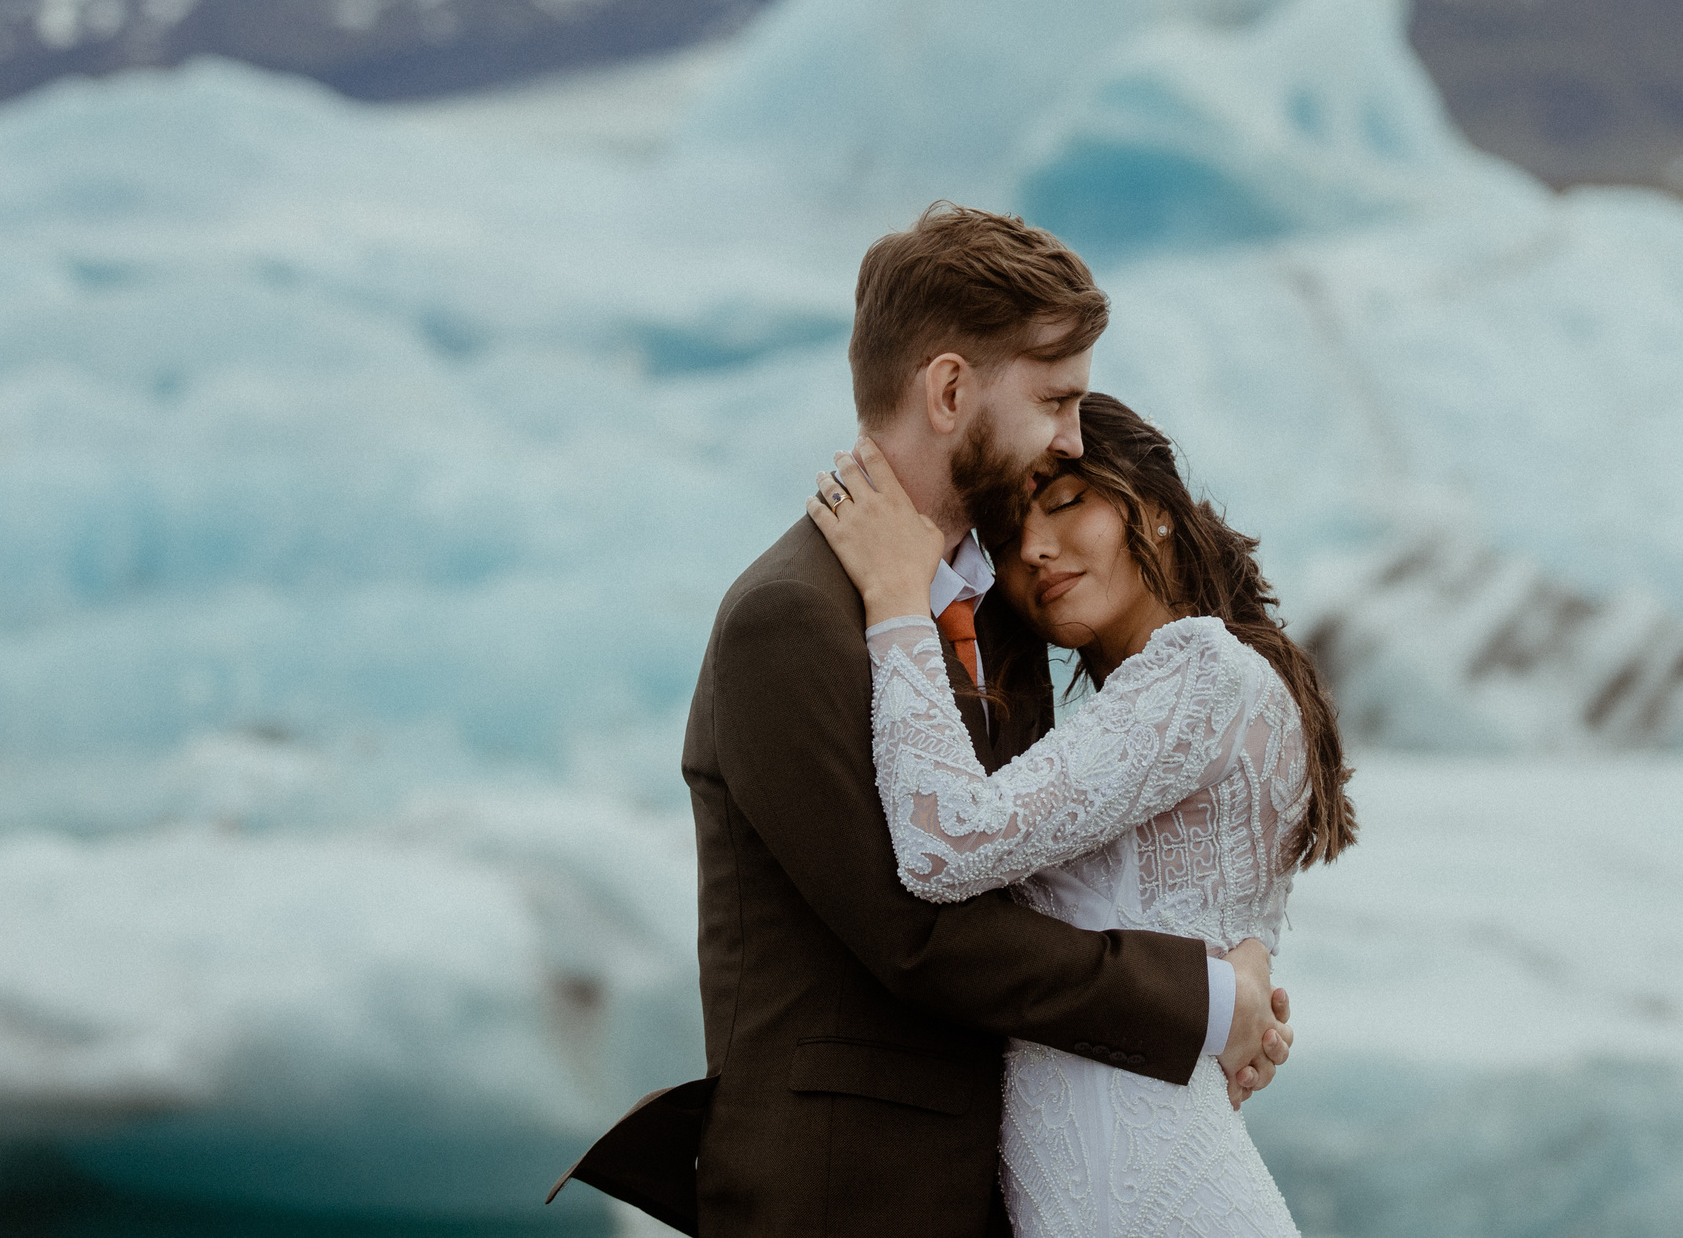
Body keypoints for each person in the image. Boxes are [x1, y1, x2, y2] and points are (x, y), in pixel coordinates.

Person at [552, 204, 1293, 1236]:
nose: (1074, 439)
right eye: (1056, 401)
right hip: (844, 1197)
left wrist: (1240, 950)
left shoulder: (998, 614)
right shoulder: (790, 617)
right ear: (948, 390)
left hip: (1003, 1186)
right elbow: (915, 936)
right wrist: (1200, 1001)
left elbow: (1060, 850)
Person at [810, 391, 1355, 1237]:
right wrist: (1232, 997)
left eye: (1068, 504)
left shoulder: (1200, 669)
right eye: (1007, 534)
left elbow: (945, 844)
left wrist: (892, 596)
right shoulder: (1189, 692)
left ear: (1159, 511)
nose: (1034, 548)